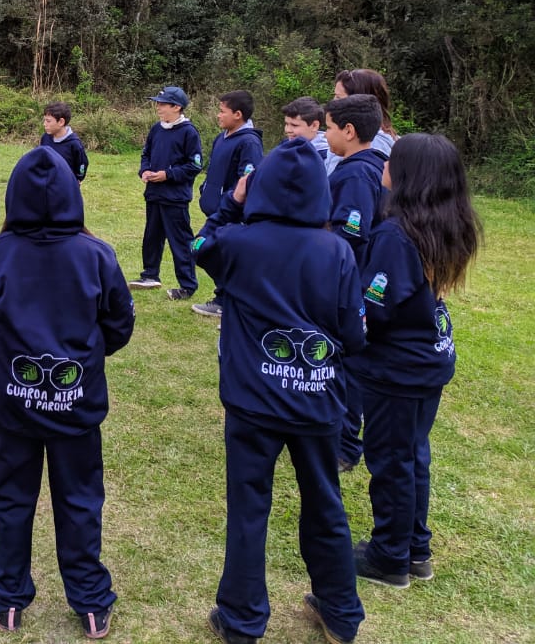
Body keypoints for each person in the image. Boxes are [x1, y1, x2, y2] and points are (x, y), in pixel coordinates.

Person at [192, 139, 367, 644]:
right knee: (325, 503)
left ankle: (242, 620)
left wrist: (231, 204)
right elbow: (354, 337)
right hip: (317, 401)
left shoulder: (240, 243)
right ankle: (341, 613)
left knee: (249, 509)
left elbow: (200, 245)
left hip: (252, 401)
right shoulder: (336, 250)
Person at [0, 146, 135, 639]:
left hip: (18, 405)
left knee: (14, 499)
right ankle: (81, 600)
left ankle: (17, 595)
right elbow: (118, 325)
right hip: (66, 407)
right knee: (77, 501)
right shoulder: (93, 254)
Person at [351, 134, 481, 588]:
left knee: (390, 460)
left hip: (397, 370)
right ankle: (415, 549)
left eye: (393, 161)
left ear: (408, 176)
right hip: (430, 359)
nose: (383, 166)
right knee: (412, 455)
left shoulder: (395, 233)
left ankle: (389, 557)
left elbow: (375, 308)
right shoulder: (448, 222)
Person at [324, 94, 387, 473]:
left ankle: (345, 447)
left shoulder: (355, 173)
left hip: (351, 283)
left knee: (349, 366)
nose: (327, 135)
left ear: (348, 131)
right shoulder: (370, 165)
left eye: (329, 127)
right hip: (355, 280)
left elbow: (352, 232)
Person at [128, 86, 203, 301]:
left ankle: (187, 286)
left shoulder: (189, 132)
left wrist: (168, 175)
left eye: (162, 104)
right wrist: (145, 171)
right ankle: (150, 275)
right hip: (154, 194)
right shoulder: (156, 129)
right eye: (158, 103)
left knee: (179, 240)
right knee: (151, 237)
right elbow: (146, 153)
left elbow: (195, 165)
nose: (158, 108)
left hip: (175, 197)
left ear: (176, 107)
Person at [195, 90, 264, 319]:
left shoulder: (249, 142)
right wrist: (205, 189)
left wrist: (231, 203)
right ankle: (224, 297)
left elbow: (247, 180)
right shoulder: (222, 137)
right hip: (215, 211)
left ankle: (226, 300)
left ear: (237, 114)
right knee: (209, 251)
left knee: (219, 254)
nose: (218, 115)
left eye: (222, 111)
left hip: (231, 214)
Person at [334, 69, 397, 159]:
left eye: (338, 98)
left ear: (360, 101)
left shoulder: (373, 146)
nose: (333, 102)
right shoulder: (354, 137)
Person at [40, 101, 89, 182]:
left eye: (48, 121)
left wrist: (78, 179)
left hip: (65, 186)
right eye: (44, 120)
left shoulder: (75, 144)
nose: (44, 124)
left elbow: (82, 165)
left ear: (61, 122)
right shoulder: (45, 138)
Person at [282, 96, 334, 173]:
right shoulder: (284, 145)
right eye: (286, 124)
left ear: (314, 126)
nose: (288, 130)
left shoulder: (327, 157)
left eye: (294, 125)